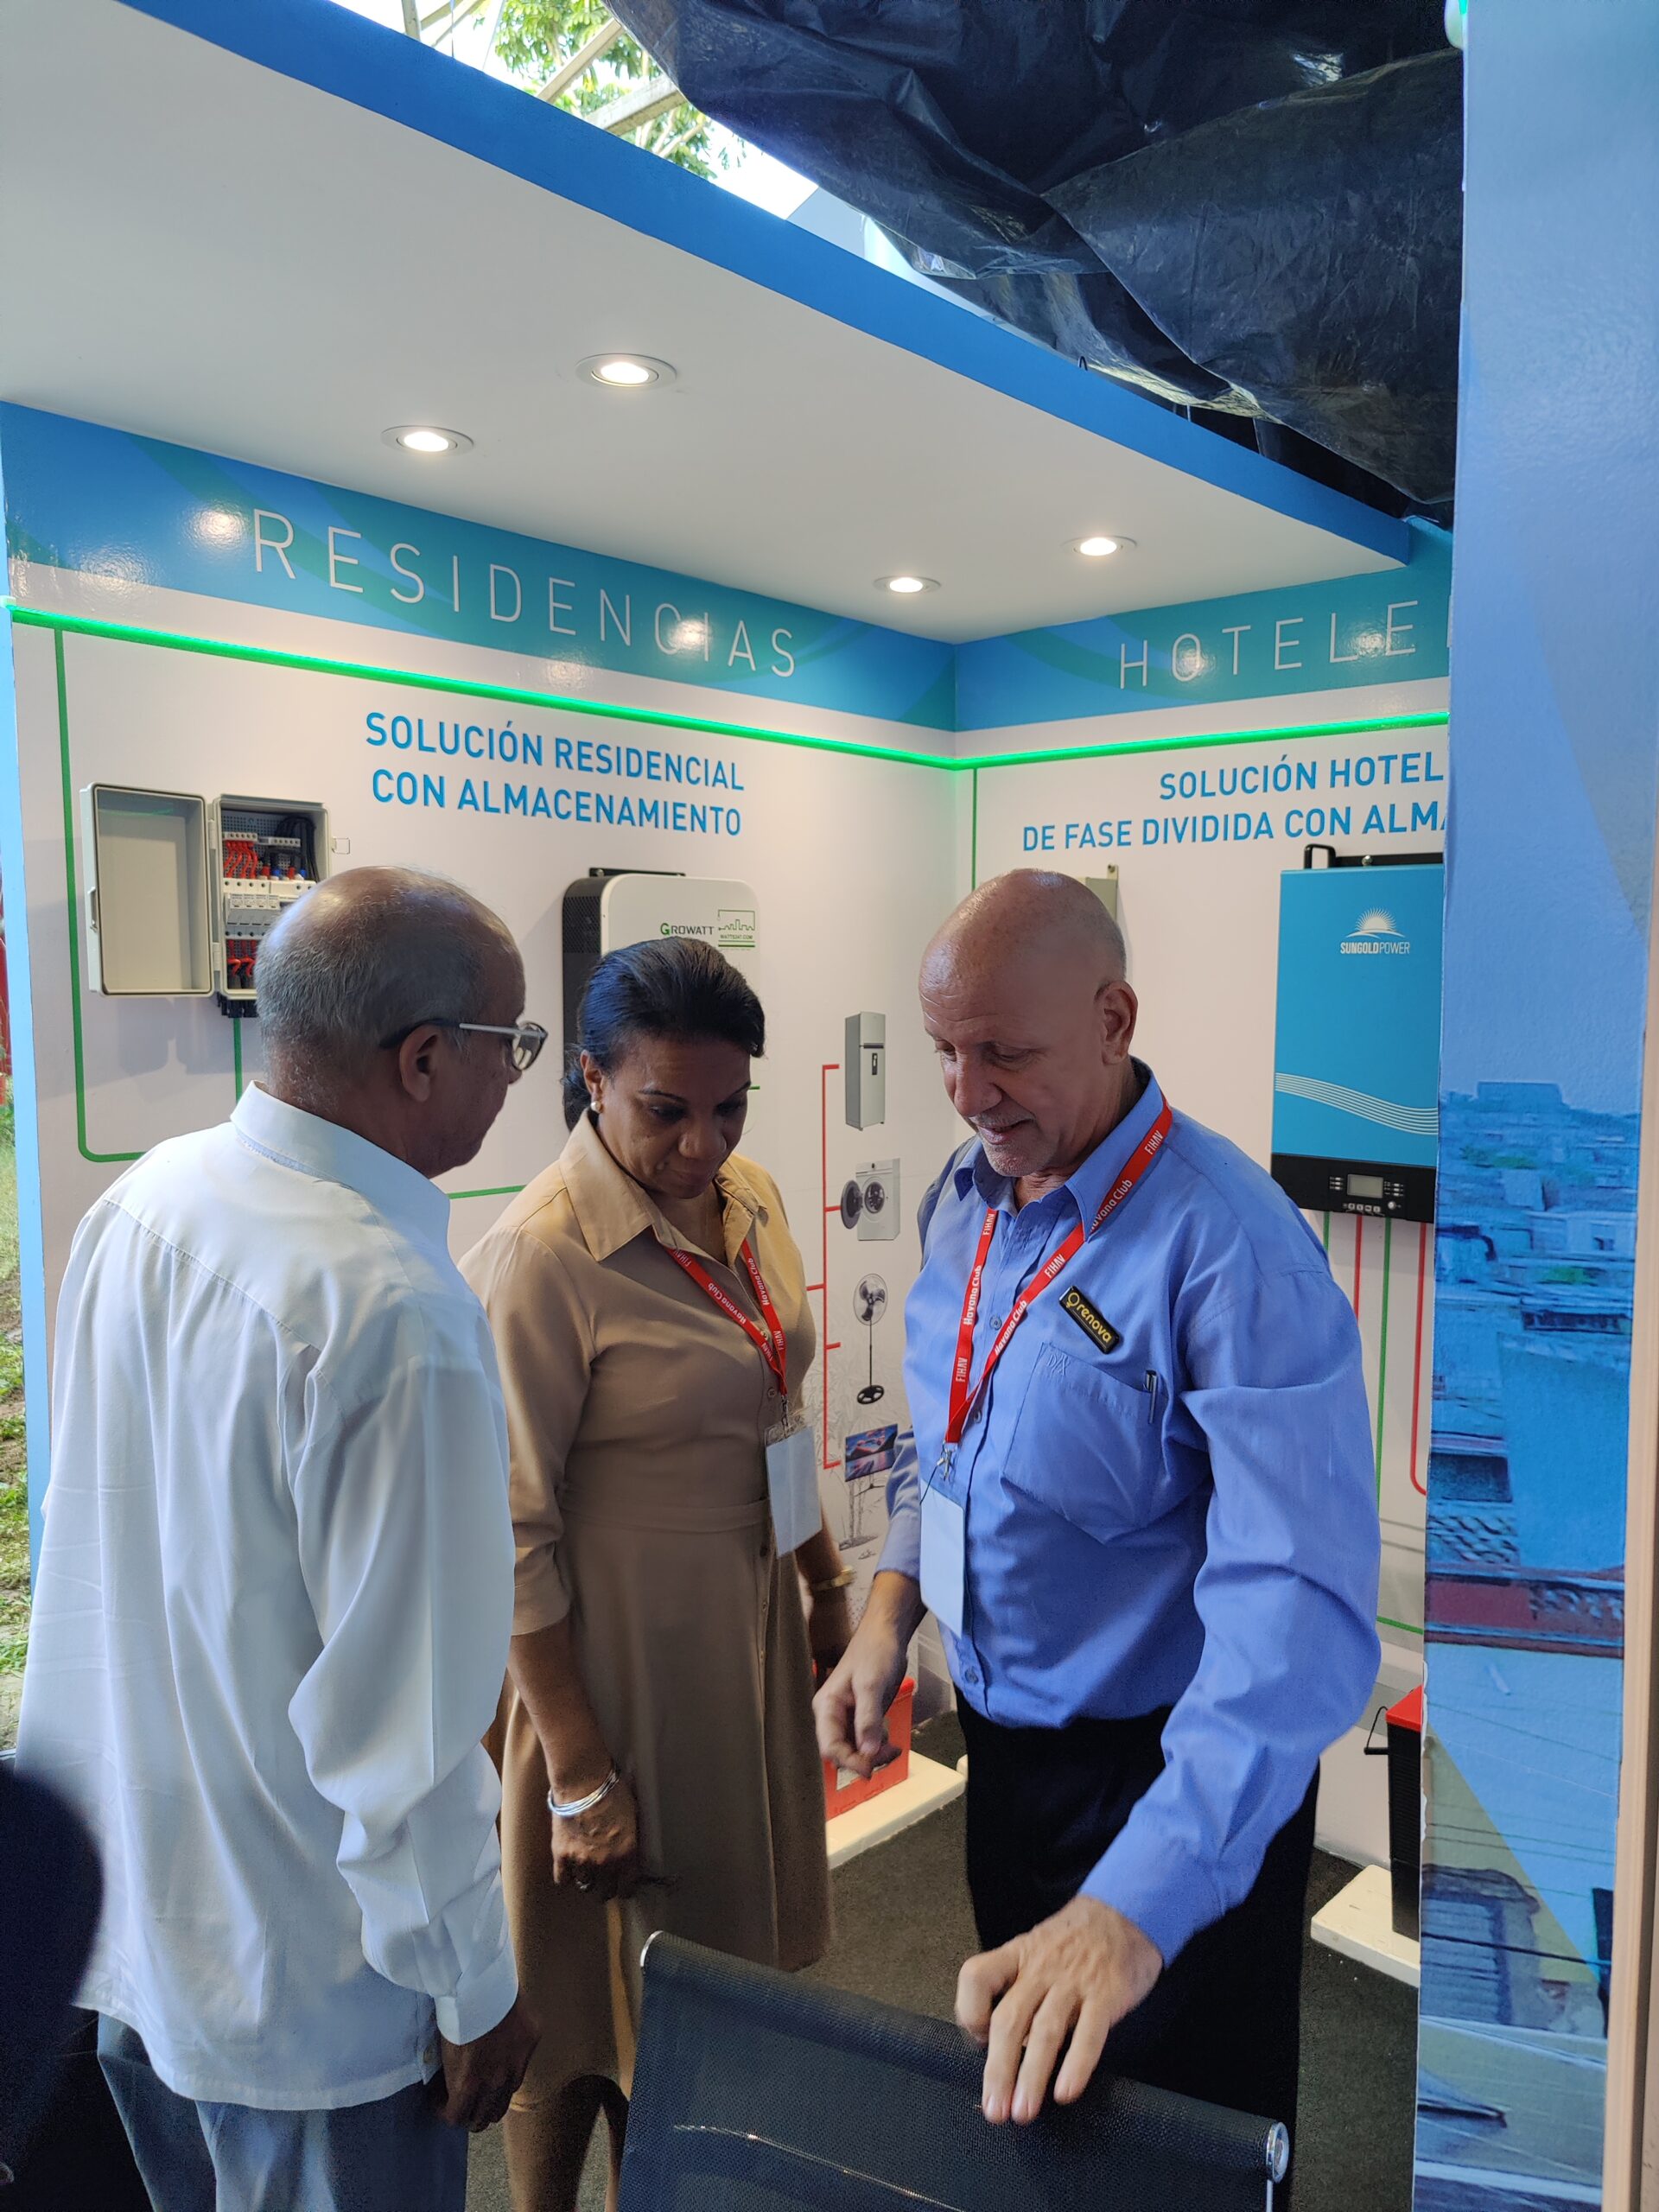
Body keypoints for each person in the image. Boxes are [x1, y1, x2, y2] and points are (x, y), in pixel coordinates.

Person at [817, 869, 1380, 2172]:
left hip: (1175, 1779)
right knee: (1047, 2122)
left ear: (1114, 1019)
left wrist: (1139, 1902)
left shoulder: (1232, 1250)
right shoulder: (968, 1198)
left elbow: (1296, 1611)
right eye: (945, 1051)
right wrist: (888, 1616)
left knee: (1184, 2151)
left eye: (1004, 1054)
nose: (967, 1092)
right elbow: (952, 1446)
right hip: (1010, 1766)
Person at [17, 867, 542, 2212]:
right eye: (513, 1044)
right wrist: (475, 1985)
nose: (515, 1078)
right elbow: (405, 1734)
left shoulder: (144, 1203)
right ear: (424, 1059)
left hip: (144, 1953)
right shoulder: (396, 1315)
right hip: (319, 2005)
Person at [461, 937, 846, 2212]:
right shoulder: (542, 1255)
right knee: (579, 1995)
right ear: (591, 1079)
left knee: (697, 1996)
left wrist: (825, 1583)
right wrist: (578, 1776)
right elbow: (511, 1532)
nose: (702, 1144)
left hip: (737, 1635)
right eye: (666, 1109)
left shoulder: (752, 1200)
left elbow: (776, 1409)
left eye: (730, 1108)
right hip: (604, 1664)